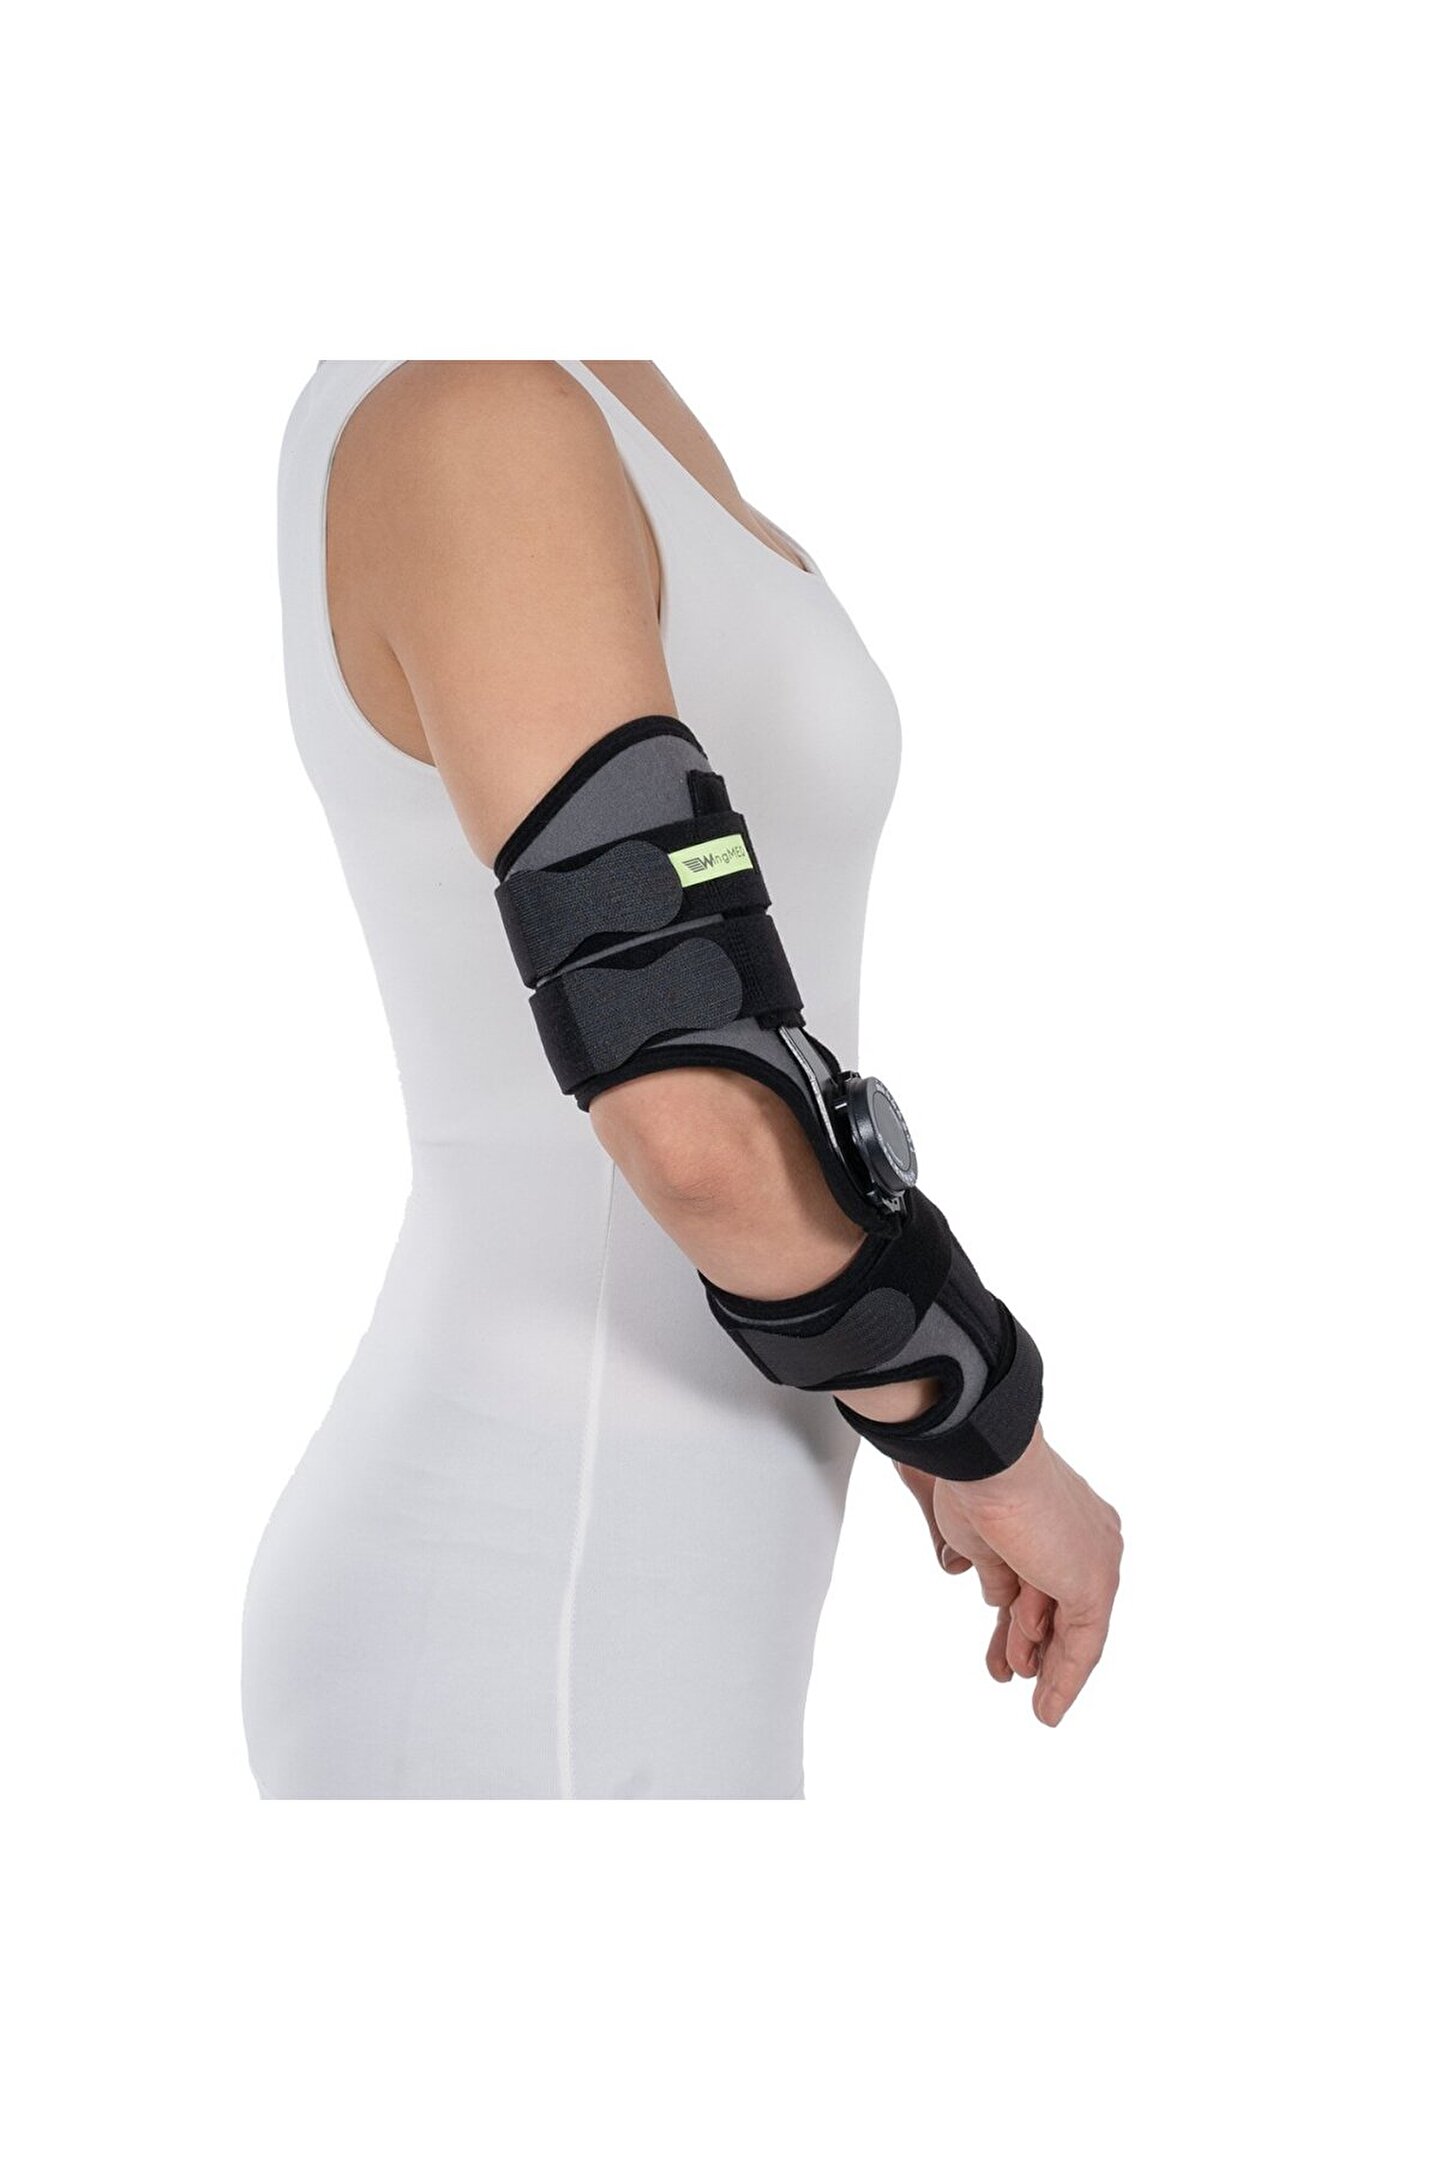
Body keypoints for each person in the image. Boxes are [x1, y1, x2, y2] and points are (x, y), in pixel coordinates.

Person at [241, 360, 1122, 1799]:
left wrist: (888, 1374)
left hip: (641, 1564)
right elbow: (694, 1109)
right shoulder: (478, 412)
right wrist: (991, 1424)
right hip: (544, 1576)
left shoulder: (596, 380)